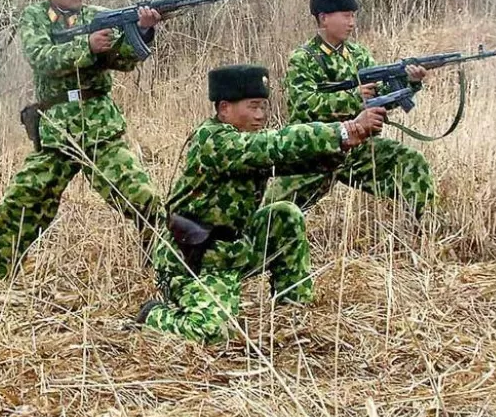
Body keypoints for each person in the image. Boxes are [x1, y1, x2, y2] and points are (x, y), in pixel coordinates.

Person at [135, 65, 385, 343]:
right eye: (253, 107)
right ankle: (153, 316)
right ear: (224, 108)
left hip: (234, 250)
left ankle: (293, 308)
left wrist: (348, 142)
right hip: (196, 260)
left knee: (285, 215)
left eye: (264, 107)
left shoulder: (246, 142)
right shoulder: (213, 141)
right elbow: (275, 144)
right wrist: (342, 130)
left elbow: (295, 158)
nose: (260, 115)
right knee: (214, 333)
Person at [0, 0, 164, 279]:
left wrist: (142, 31)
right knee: (19, 205)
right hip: (57, 134)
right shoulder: (34, 17)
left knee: (146, 201)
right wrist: (87, 47)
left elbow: (122, 61)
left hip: (100, 130)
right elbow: (42, 58)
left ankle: (163, 271)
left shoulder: (98, 15)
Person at [265, 0, 435, 218]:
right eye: (346, 16)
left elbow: (381, 98)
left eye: (354, 16)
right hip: (317, 149)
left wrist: (409, 83)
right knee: (273, 211)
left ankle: (425, 227)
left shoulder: (359, 54)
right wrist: (353, 97)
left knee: (411, 163)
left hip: (358, 148)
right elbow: (303, 104)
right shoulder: (303, 58)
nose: (352, 22)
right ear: (324, 18)